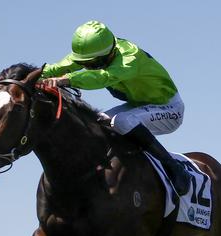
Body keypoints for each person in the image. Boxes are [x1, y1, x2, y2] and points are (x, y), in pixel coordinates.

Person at [40, 20, 190, 195]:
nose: (86, 67)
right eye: (83, 63)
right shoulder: (96, 52)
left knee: (123, 121)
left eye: (90, 64)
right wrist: (27, 77)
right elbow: (57, 68)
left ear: (108, 55)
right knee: (96, 124)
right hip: (138, 105)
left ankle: (173, 167)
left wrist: (67, 80)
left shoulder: (129, 57)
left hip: (169, 109)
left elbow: (104, 77)